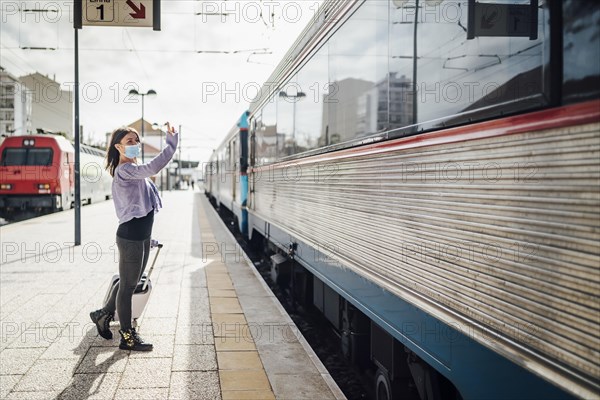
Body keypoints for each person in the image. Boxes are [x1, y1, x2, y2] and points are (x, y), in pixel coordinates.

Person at [90, 123, 178, 351]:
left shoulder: (133, 168)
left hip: (141, 237)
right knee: (128, 285)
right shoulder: (125, 170)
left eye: (136, 141)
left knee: (130, 280)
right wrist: (171, 144)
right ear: (118, 146)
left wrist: (148, 238)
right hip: (130, 237)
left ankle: (104, 313)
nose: (135, 145)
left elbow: (142, 207)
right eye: (130, 141)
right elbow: (154, 167)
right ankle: (127, 337)